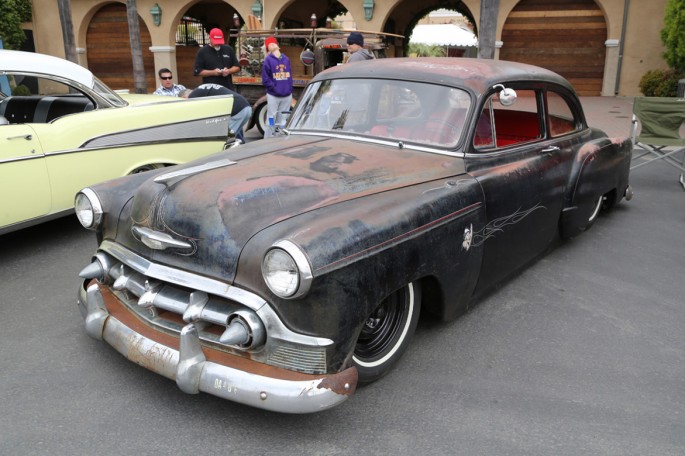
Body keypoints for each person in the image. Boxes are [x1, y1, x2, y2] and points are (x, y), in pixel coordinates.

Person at [181, 83, 252, 143]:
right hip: (246, 107)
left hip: (237, 110)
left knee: (224, 141)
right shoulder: (201, 89)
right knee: (234, 138)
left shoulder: (192, 97)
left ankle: (224, 158)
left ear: (184, 97)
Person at [261, 36, 293, 138]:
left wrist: (288, 88)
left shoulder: (286, 59)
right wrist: (275, 88)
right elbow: (265, 79)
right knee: (272, 118)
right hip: (274, 95)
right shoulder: (268, 61)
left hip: (285, 95)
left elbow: (290, 75)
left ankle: (279, 140)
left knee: (282, 119)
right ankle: (268, 139)